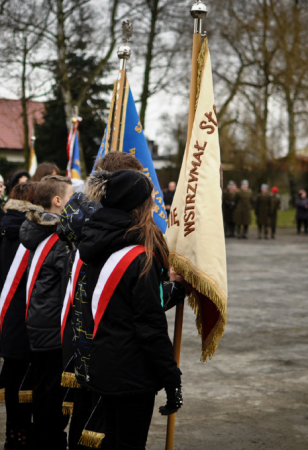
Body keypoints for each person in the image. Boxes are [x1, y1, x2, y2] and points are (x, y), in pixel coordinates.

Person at [79, 170, 182, 450]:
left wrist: (172, 289)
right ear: (138, 205)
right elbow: (150, 326)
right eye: (150, 199)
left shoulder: (97, 240)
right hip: (132, 372)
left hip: (102, 363)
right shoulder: (139, 257)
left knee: (111, 441)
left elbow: (121, 303)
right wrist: (172, 379)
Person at [20, 175, 73, 449]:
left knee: (42, 391)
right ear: (57, 201)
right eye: (71, 198)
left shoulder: (36, 230)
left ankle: (40, 440)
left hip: (38, 322)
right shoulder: (60, 239)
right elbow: (68, 291)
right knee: (53, 396)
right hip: (54, 327)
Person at [0, 182, 41, 449]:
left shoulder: (8, 224)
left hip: (11, 315)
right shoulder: (29, 231)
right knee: (25, 382)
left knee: (14, 380)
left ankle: (13, 434)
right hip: (27, 316)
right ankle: (22, 436)